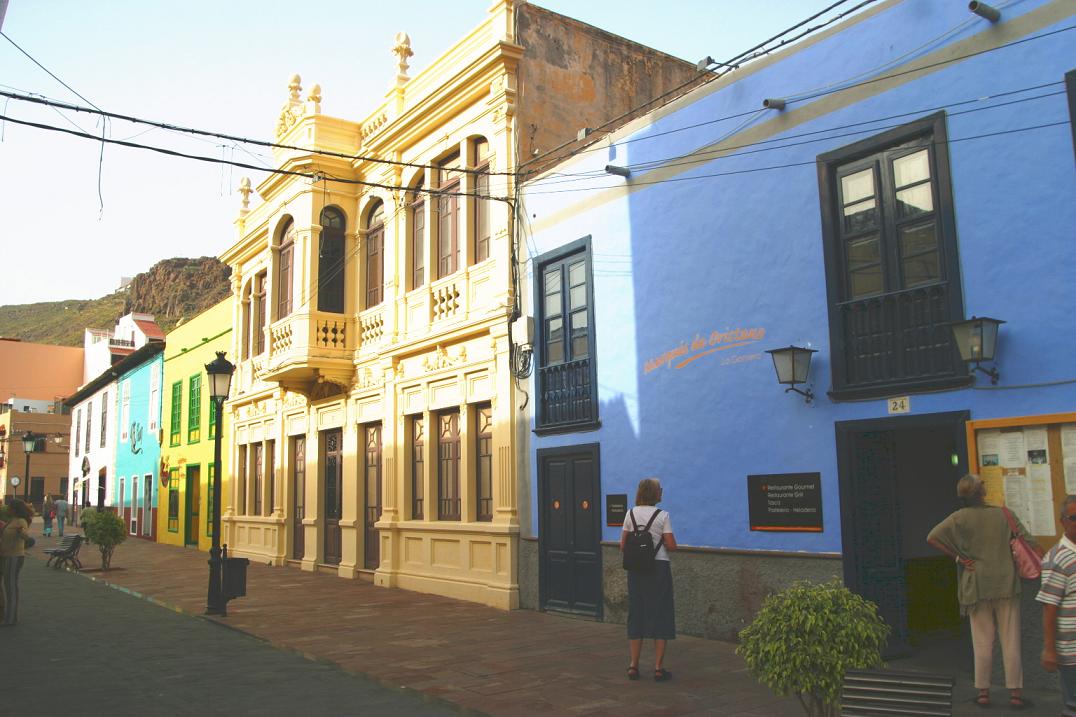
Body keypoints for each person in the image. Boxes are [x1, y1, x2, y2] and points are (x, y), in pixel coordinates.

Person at [927, 474, 1038, 710]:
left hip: (976, 584)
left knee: (982, 642)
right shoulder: (1003, 515)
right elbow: (1028, 540)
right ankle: (1016, 694)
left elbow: (932, 536)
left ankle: (984, 692)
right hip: (1006, 584)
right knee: (1011, 640)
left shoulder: (959, 518)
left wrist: (959, 557)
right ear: (982, 493)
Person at [620, 477, 677, 682]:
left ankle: (633, 666)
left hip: (635, 570)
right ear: (654, 493)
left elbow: (623, 545)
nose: (662, 492)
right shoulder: (663, 515)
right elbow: (671, 545)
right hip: (658, 567)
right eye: (660, 489)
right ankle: (658, 668)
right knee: (660, 612)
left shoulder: (630, 514)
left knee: (636, 612)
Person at [1036, 495, 1076, 708]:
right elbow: (1049, 608)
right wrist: (1049, 649)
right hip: (1071, 653)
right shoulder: (1057, 558)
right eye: (1074, 517)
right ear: (1063, 521)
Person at [0, 498, 35, 626]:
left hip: (15, 556)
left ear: (14, 509)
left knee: (11, 586)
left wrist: (23, 534)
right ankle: (9, 616)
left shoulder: (20, 521)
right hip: (7, 555)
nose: (7, 509)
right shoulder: (11, 521)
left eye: (9, 507)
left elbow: (25, 535)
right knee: (8, 585)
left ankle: (11, 618)